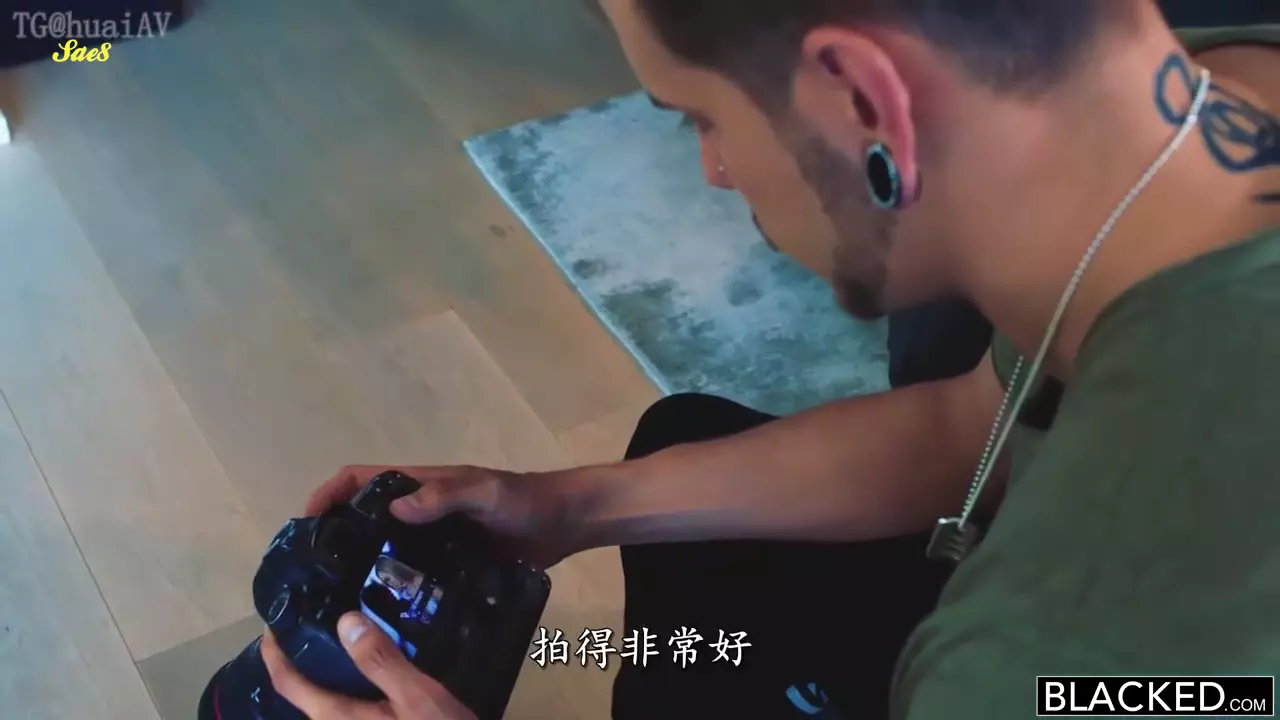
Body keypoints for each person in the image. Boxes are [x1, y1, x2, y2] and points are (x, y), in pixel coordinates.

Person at [260, 1, 1280, 718]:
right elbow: (979, 429)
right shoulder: (1186, 110)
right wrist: (571, 506)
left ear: (862, 98)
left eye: (700, 116)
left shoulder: (1065, 644)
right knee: (685, 447)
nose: (713, 170)